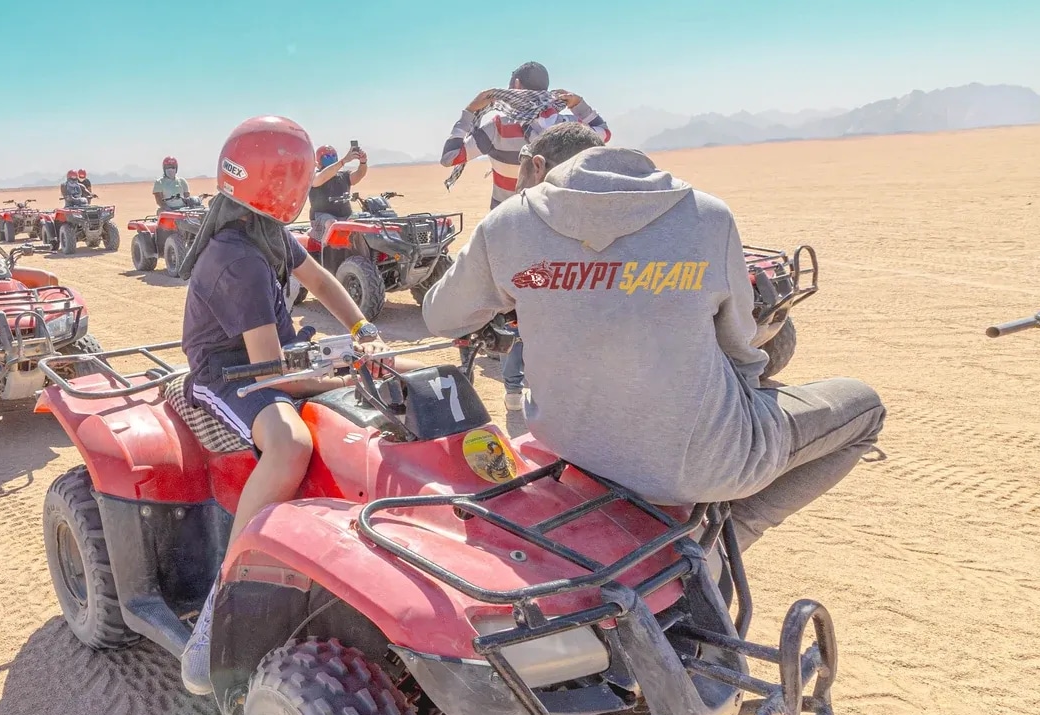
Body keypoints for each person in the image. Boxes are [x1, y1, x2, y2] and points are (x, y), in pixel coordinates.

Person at [422, 131, 885, 550]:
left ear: (540, 167)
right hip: (696, 462)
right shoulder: (708, 216)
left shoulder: (508, 224)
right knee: (864, 407)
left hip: (568, 442)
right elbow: (743, 345)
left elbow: (441, 316)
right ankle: (723, 546)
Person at [176, 115, 385, 696]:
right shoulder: (236, 258)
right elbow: (266, 370)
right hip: (227, 372)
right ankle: (226, 591)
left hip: (275, 357)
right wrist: (340, 372)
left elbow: (320, 281)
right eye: (296, 176)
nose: (304, 185)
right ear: (279, 184)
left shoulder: (269, 233)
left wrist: (364, 330)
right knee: (290, 444)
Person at [440, 61, 611, 410]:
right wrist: (579, 105)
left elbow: (451, 156)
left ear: (514, 85)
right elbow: (603, 135)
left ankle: (512, 389)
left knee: (513, 304)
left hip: (510, 225)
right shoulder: (566, 125)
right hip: (565, 228)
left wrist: (469, 113)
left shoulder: (498, 124)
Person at [307, 143, 368, 243]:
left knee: (361, 221)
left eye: (333, 156)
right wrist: (344, 161)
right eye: (326, 157)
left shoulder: (343, 175)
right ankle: (326, 253)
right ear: (319, 161)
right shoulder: (315, 176)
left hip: (345, 216)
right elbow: (321, 178)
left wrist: (363, 163)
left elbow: (358, 175)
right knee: (332, 224)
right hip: (321, 218)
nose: (331, 159)